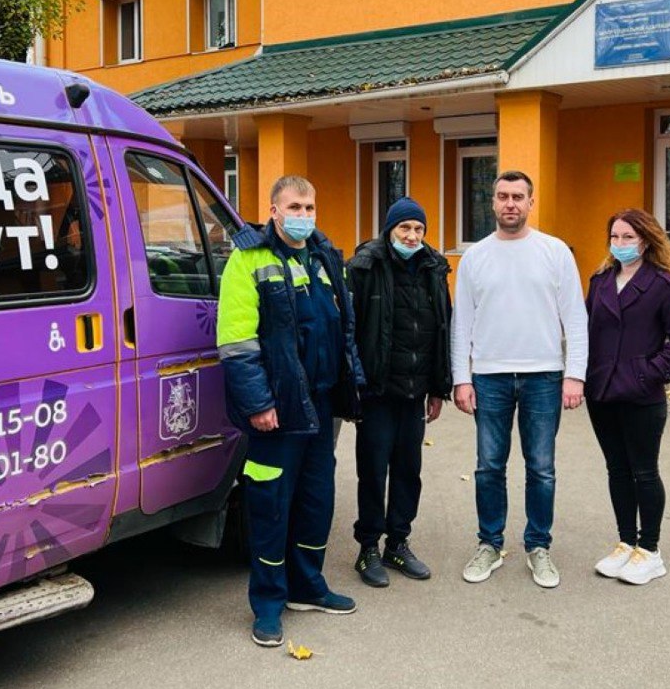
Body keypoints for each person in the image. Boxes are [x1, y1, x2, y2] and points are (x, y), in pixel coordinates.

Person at [216, 175, 365, 646]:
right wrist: (258, 403)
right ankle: (267, 602)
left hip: (320, 406)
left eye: (310, 205)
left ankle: (308, 587)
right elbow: (237, 343)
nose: (304, 215)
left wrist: (352, 388)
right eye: (295, 206)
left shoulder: (323, 256)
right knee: (270, 506)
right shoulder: (247, 260)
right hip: (276, 411)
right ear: (274, 210)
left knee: (316, 500)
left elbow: (344, 332)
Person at [451, 171, 588, 588]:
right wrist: (462, 378)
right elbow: (462, 323)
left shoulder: (555, 251)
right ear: (492, 203)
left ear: (531, 202)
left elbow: (576, 318)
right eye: (502, 196)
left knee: (541, 467)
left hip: (544, 376)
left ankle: (538, 546)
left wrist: (575, 375)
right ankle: (489, 543)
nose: (510, 203)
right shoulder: (475, 257)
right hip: (489, 376)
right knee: (489, 466)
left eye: (518, 197)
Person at [584, 208, 670, 585]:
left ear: (646, 240)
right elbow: (587, 331)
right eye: (614, 237)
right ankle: (625, 542)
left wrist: (649, 374)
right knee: (617, 469)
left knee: (644, 471)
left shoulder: (663, 284)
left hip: (641, 394)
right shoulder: (600, 280)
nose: (620, 245)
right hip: (601, 391)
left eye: (627, 238)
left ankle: (650, 550)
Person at [347, 196, 452, 588]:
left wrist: (439, 387)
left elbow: (443, 328)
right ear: (389, 230)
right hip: (376, 391)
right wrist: (354, 387)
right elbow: (350, 331)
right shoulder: (365, 267)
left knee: (409, 470)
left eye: (418, 229)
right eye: (404, 228)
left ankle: (398, 542)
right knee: (373, 470)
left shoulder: (433, 270)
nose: (411, 235)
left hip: (415, 391)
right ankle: (368, 547)